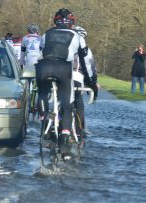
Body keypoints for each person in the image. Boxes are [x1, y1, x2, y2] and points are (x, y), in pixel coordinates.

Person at [36, 8, 88, 160]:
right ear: (72, 23)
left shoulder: (46, 33)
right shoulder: (77, 36)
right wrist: (91, 81)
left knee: (42, 94)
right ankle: (65, 140)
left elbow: (40, 52)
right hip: (64, 69)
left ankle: (45, 120)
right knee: (67, 104)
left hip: (43, 67)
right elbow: (86, 62)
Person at [72, 26, 99, 137]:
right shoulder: (86, 50)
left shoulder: (64, 45)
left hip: (60, 75)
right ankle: (80, 128)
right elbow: (91, 68)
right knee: (78, 100)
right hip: (77, 77)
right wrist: (93, 83)